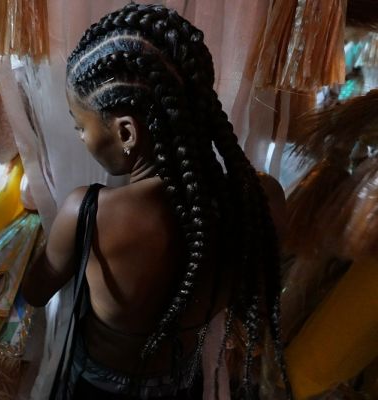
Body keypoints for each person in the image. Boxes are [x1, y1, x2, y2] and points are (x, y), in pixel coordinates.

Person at [22, 4, 291, 399]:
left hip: (99, 388)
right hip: (183, 384)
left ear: (126, 132)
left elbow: (34, 292)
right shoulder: (261, 200)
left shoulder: (89, 213)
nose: (80, 137)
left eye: (81, 126)